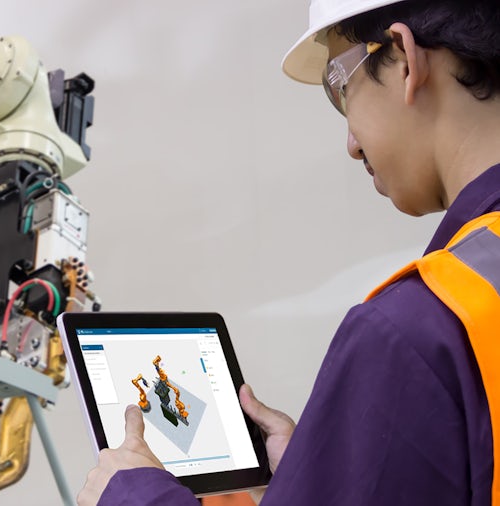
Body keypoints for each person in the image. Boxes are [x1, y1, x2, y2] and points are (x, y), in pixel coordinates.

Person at [78, 0, 500, 504]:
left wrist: (133, 494)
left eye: (340, 87)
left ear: (407, 60)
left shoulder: (414, 330)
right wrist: (329, 471)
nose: (351, 145)